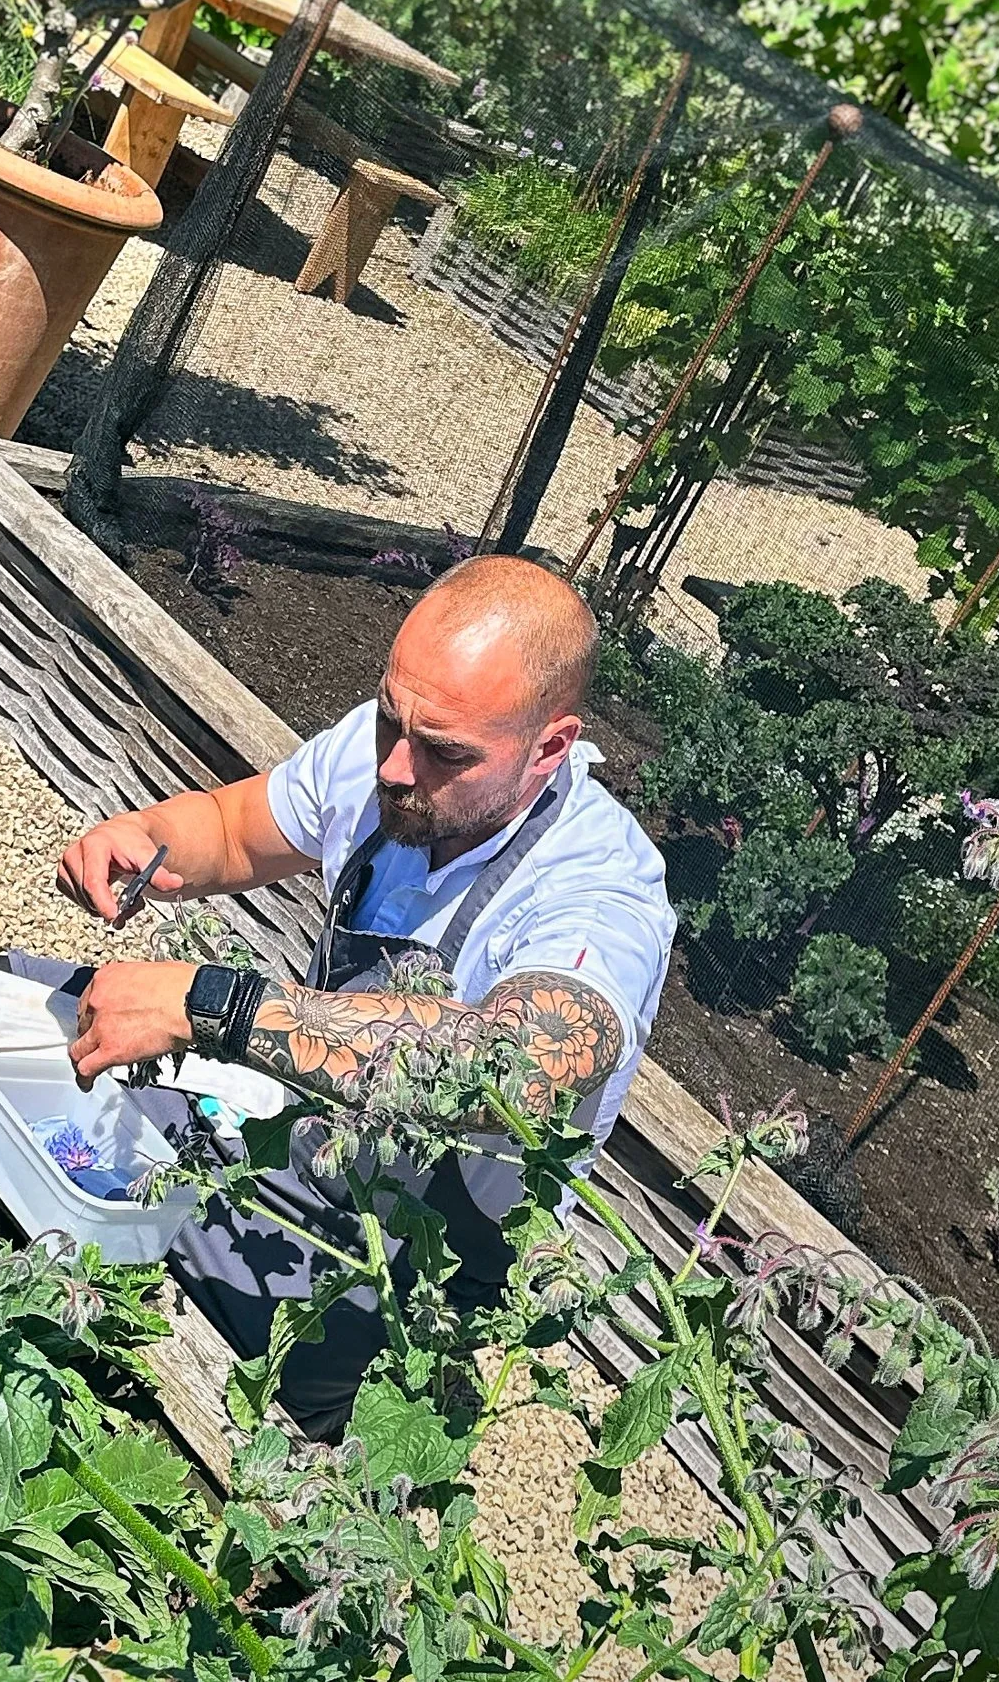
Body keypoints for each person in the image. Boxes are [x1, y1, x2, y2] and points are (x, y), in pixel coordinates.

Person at [55, 552, 674, 1435]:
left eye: (444, 752)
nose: (394, 765)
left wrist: (212, 1004)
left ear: (550, 748)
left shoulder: (602, 892)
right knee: (38, 1015)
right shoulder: (394, 745)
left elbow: (517, 1067)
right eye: (392, 720)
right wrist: (141, 838)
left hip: (406, 1266)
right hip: (296, 1144)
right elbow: (234, 830)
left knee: (159, 1339)